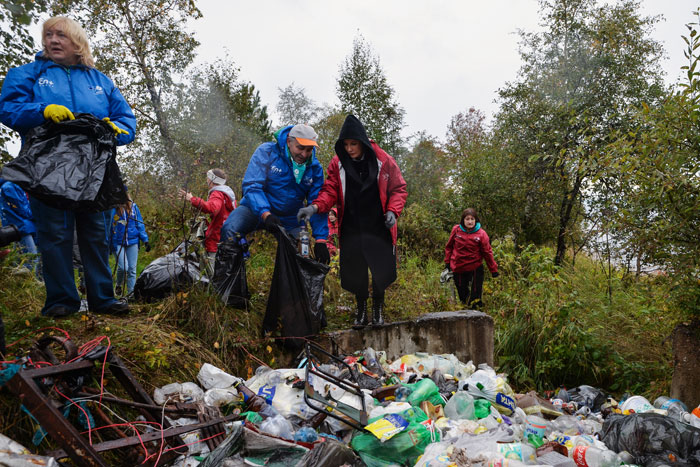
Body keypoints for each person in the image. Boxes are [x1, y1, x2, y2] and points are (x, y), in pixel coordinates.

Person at [0, 16, 137, 317]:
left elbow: (127, 121)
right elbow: (8, 108)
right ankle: (61, 301)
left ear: (77, 42)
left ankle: (102, 298)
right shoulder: (28, 74)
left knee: (95, 234)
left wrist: (116, 129)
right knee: (55, 234)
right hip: (47, 165)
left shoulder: (100, 81)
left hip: (95, 168)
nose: (52, 40)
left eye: (60, 35)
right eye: (48, 35)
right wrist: (42, 110)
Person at [297, 115, 407, 327]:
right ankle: (361, 310)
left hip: (379, 224)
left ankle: (378, 310)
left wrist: (393, 211)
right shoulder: (337, 163)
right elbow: (330, 191)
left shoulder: (383, 160)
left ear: (362, 142)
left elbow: (398, 189)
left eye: (353, 144)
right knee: (356, 271)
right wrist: (315, 207)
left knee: (380, 269)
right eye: (345, 144)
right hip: (352, 225)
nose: (349, 149)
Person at [219, 124, 330, 263]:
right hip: (254, 209)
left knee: (300, 253)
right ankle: (227, 282)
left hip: (290, 217)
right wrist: (266, 214)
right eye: (300, 148)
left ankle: (290, 284)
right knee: (230, 230)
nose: (304, 154)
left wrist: (320, 239)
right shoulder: (267, 152)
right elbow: (252, 186)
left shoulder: (314, 168)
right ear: (289, 141)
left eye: (309, 150)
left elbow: (317, 202)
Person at [178, 169, 236, 274]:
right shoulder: (227, 194)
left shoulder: (217, 194)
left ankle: (211, 290)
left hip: (216, 239)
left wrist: (192, 199)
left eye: (208, 177)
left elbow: (212, 208)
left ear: (212, 180)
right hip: (227, 238)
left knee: (212, 273)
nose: (206, 180)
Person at [443, 208, 499, 309]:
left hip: (475, 268)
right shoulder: (456, 230)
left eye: (472, 219)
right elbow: (449, 246)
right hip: (458, 267)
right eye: (467, 219)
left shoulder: (482, 234)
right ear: (463, 220)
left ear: (476, 220)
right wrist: (447, 262)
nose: (470, 222)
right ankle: (464, 317)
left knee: (475, 299)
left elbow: (487, 253)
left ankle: (478, 317)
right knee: (463, 297)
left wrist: (493, 270)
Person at [110, 191, 150, 295]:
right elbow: (110, 226)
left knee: (132, 269)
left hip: (133, 241)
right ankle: (118, 284)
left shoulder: (134, 208)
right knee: (123, 267)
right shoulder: (112, 209)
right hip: (118, 242)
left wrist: (145, 240)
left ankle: (131, 294)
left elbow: (140, 224)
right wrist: (109, 243)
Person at [0, 178, 40, 276]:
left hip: (16, 227)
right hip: (21, 227)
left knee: (19, 258)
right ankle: (30, 282)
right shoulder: (10, 186)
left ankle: (19, 282)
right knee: (31, 259)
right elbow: (23, 209)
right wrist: (38, 215)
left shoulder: (8, 186)